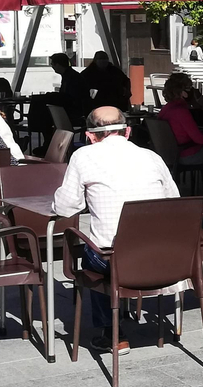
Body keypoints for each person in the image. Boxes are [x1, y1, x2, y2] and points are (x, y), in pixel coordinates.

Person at [52, 105, 180, 354]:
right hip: (164, 259)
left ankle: (113, 333)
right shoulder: (152, 157)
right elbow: (173, 202)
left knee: (96, 251)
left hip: (118, 260)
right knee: (109, 246)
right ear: (128, 132)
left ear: (90, 136)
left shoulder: (83, 156)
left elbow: (66, 206)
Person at [160, 72, 203, 168]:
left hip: (170, 154)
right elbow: (200, 140)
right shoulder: (181, 111)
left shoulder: (165, 109)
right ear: (181, 91)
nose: (192, 91)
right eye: (189, 88)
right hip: (186, 154)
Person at [47, 53, 90, 117]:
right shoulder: (71, 75)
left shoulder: (71, 77)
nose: (52, 67)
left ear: (58, 65)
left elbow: (69, 97)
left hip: (74, 111)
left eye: (52, 64)